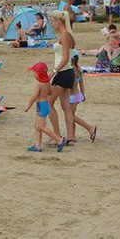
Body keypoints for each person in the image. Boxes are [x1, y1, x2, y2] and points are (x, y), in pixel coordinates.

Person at [46, 10, 77, 144]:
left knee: (48, 102)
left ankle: (57, 135)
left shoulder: (65, 36)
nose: (51, 24)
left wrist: (53, 71)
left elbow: (64, 58)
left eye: (52, 22)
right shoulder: (67, 35)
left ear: (59, 21)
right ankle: (70, 137)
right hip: (67, 72)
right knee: (66, 106)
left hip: (63, 72)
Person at [25, 62, 66, 152]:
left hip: (41, 106)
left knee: (41, 127)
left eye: (34, 73)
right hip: (45, 105)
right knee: (37, 126)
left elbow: (34, 96)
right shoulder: (47, 82)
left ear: (38, 74)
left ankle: (58, 139)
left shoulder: (39, 84)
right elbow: (50, 92)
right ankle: (37, 145)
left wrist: (28, 106)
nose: (33, 75)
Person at [68, 55, 97, 144]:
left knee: (70, 116)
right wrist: (83, 94)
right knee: (71, 116)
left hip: (72, 96)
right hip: (77, 94)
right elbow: (81, 83)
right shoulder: (78, 68)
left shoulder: (71, 70)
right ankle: (72, 136)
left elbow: (69, 85)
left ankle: (90, 128)